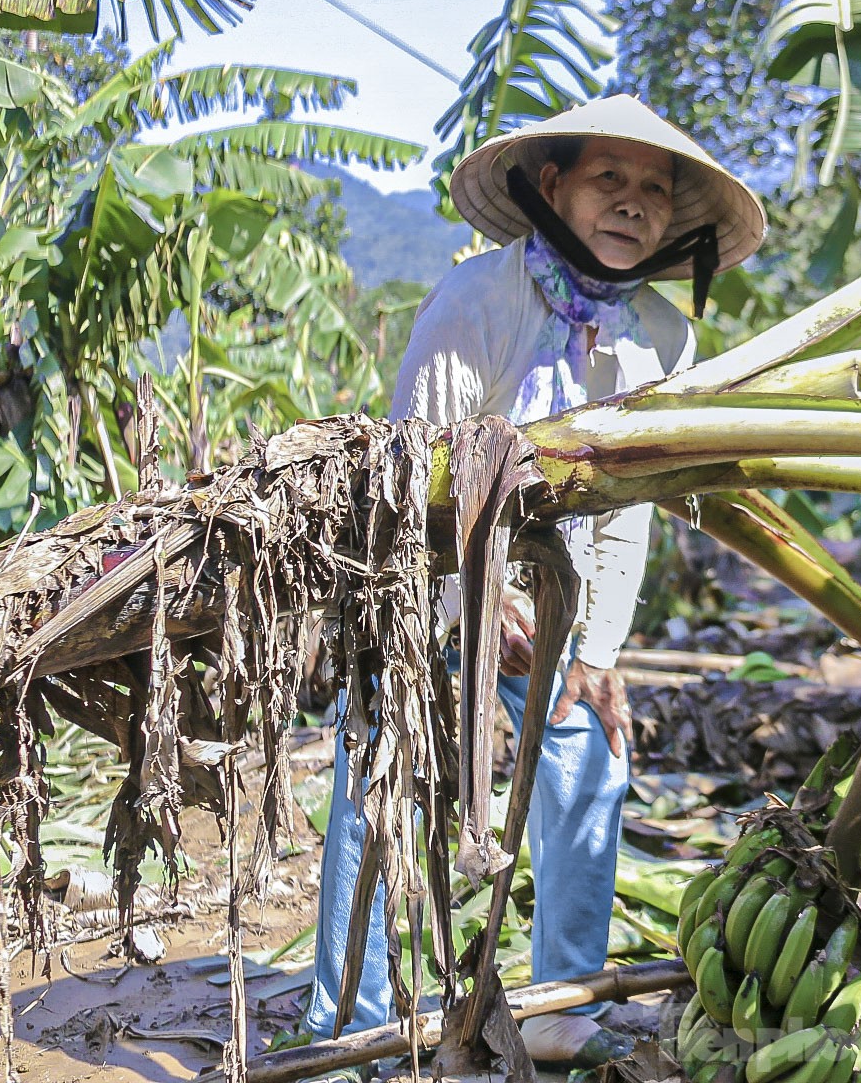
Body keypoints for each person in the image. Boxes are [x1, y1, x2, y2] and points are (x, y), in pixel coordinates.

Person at [303, 96, 766, 1067]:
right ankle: (349, 1014)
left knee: (589, 757)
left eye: (653, 189)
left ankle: (563, 998)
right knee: (380, 772)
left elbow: (631, 504)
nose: (634, 203)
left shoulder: (660, 340)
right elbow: (412, 473)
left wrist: (595, 650)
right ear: (551, 186)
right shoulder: (478, 304)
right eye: (609, 177)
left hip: (561, 597)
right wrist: (477, 596)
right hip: (429, 578)